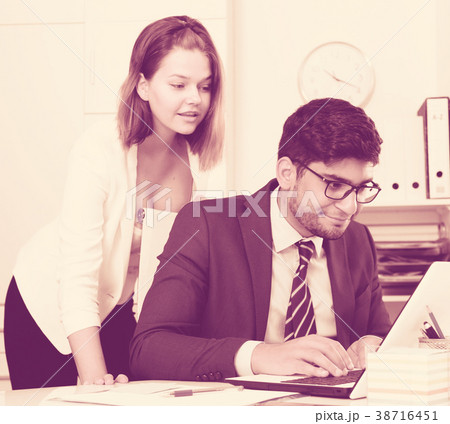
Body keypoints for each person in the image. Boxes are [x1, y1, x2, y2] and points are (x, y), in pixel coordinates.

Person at [4, 15, 224, 390]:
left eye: (205, 86)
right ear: (143, 85)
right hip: (51, 304)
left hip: (125, 310)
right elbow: (77, 276)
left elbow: (175, 270)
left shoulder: (202, 164)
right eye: (178, 84)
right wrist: (93, 376)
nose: (195, 99)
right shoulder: (99, 149)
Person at [130, 98, 392, 382]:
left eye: (362, 188)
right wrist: (259, 356)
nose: (350, 207)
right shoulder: (207, 225)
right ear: (287, 174)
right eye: (335, 185)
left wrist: (374, 345)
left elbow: (379, 334)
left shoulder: (357, 239)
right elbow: (149, 349)